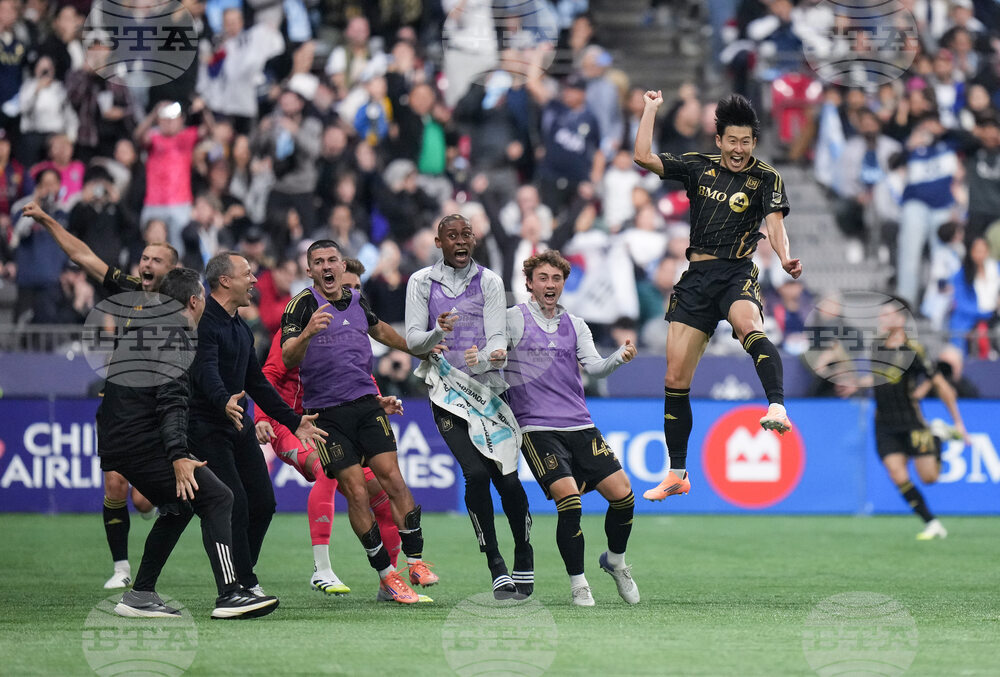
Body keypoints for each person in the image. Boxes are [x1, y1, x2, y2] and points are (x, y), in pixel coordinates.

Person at [633, 92, 803, 501]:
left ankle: (776, 406)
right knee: (675, 378)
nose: (739, 149)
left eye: (746, 142)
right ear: (719, 139)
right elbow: (643, 157)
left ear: (753, 143)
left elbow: (775, 225)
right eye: (732, 141)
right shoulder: (696, 167)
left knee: (749, 325)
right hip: (696, 277)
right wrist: (651, 109)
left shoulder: (766, 178)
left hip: (736, 271)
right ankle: (677, 473)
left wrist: (784, 256)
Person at [101, 267, 279, 619]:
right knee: (218, 496)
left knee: (181, 504)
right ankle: (230, 594)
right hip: (140, 439)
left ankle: (140, 595)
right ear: (195, 301)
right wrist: (179, 455)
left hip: (121, 437)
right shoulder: (176, 334)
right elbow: (171, 400)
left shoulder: (148, 326)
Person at [471, 250, 638, 607]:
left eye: (556, 278)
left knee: (623, 496)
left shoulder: (575, 324)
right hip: (536, 428)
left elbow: (594, 368)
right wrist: (483, 358)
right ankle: (579, 583)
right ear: (529, 283)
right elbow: (494, 353)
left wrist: (618, 359)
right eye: (543, 278)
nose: (550, 284)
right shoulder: (513, 319)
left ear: (563, 283)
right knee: (570, 500)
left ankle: (616, 561)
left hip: (580, 425)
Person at [21, 200, 174, 589]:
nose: (146, 264)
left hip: (156, 409)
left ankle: (147, 512)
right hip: (119, 406)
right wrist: (48, 220)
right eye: (144, 257)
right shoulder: (127, 289)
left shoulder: (181, 308)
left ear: (172, 270)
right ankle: (121, 568)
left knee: (143, 501)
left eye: (156, 259)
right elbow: (82, 254)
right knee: (114, 485)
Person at [281, 240, 437, 604]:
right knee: (354, 492)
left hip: (367, 405)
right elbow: (288, 357)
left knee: (394, 479)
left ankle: (415, 562)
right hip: (326, 415)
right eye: (318, 262)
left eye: (331, 259)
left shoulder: (355, 298)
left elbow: (379, 330)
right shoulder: (301, 305)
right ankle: (387, 576)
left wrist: (419, 349)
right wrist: (307, 334)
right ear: (310, 271)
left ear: (341, 263)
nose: (326, 266)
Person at [251, 257, 407, 597]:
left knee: (381, 493)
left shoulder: (352, 321)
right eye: (348, 288)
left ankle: (390, 581)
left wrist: (378, 403)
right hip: (291, 422)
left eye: (356, 289)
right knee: (329, 469)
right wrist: (262, 418)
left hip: (333, 421)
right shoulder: (296, 327)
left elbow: (359, 379)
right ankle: (321, 569)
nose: (352, 296)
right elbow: (270, 376)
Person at [405, 214, 535, 600]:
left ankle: (523, 552)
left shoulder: (491, 282)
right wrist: (436, 334)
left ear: (474, 240)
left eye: (466, 235)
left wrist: (491, 354)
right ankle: (496, 564)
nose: (460, 241)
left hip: (489, 390)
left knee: (508, 479)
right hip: (446, 391)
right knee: (476, 475)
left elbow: (497, 334)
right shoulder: (420, 282)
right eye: (452, 236)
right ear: (438, 242)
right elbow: (413, 340)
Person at [189, 251, 327, 604]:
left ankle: (242, 577)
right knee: (232, 502)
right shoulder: (206, 324)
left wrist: (294, 421)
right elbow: (203, 371)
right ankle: (237, 584)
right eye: (247, 274)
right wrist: (222, 400)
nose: (254, 280)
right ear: (225, 281)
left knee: (263, 503)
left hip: (238, 425)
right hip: (207, 426)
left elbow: (257, 382)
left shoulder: (239, 326)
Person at [842, 299, 970, 540]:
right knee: (896, 473)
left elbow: (941, 385)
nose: (883, 318)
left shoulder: (914, 351)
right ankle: (931, 523)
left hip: (912, 423)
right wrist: (857, 384)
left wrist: (959, 422)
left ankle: (937, 437)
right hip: (884, 424)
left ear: (901, 320)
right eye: (882, 314)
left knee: (929, 477)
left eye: (888, 314)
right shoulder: (876, 347)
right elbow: (881, 379)